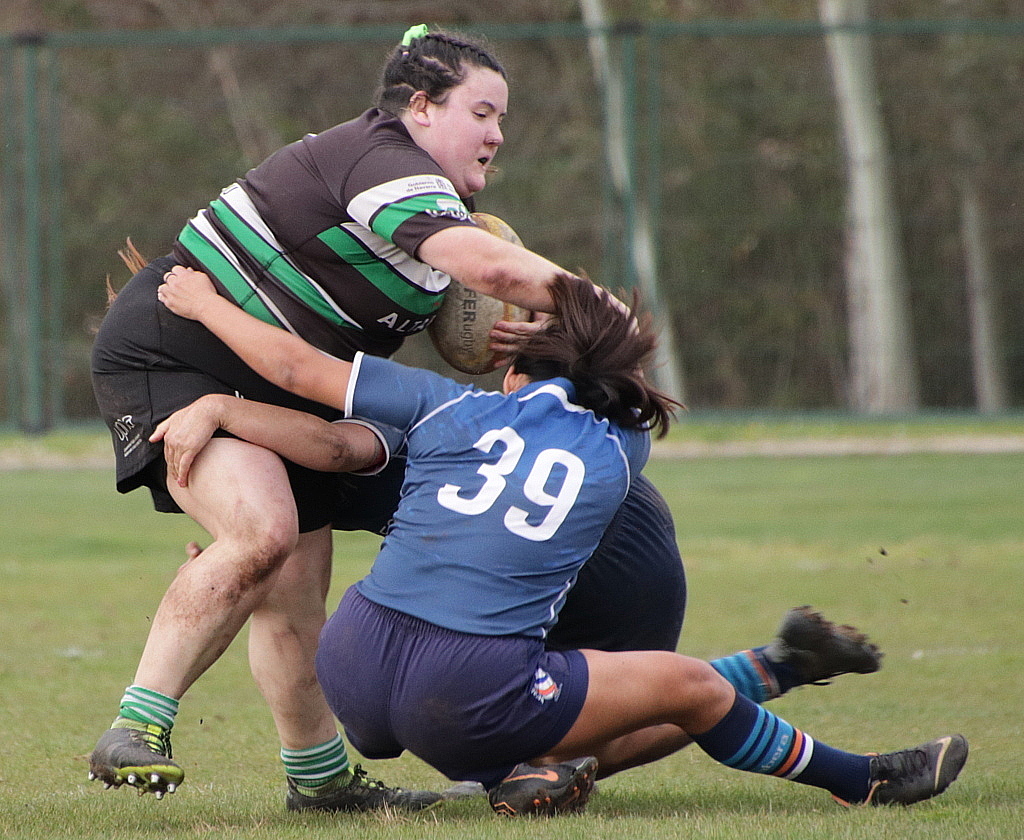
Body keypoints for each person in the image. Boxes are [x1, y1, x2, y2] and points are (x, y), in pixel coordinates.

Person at [87, 23, 685, 811]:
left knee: (295, 579)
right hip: (176, 350)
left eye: (503, 119)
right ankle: (137, 725)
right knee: (263, 532)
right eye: (482, 112)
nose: (497, 136)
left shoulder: (435, 216)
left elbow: (439, 304)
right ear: (422, 107)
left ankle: (320, 782)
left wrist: (529, 332)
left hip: (271, 382)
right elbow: (495, 267)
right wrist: (601, 312)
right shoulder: (383, 161)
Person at [155, 262, 967, 817]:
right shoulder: (623, 447)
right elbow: (606, 360)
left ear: (511, 374)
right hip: (464, 693)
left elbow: (298, 371)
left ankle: (544, 762)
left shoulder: (445, 407)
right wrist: (560, 308)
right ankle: (861, 781)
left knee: (600, 700)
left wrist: (200, 302)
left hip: (354, 664)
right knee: (687, 690)